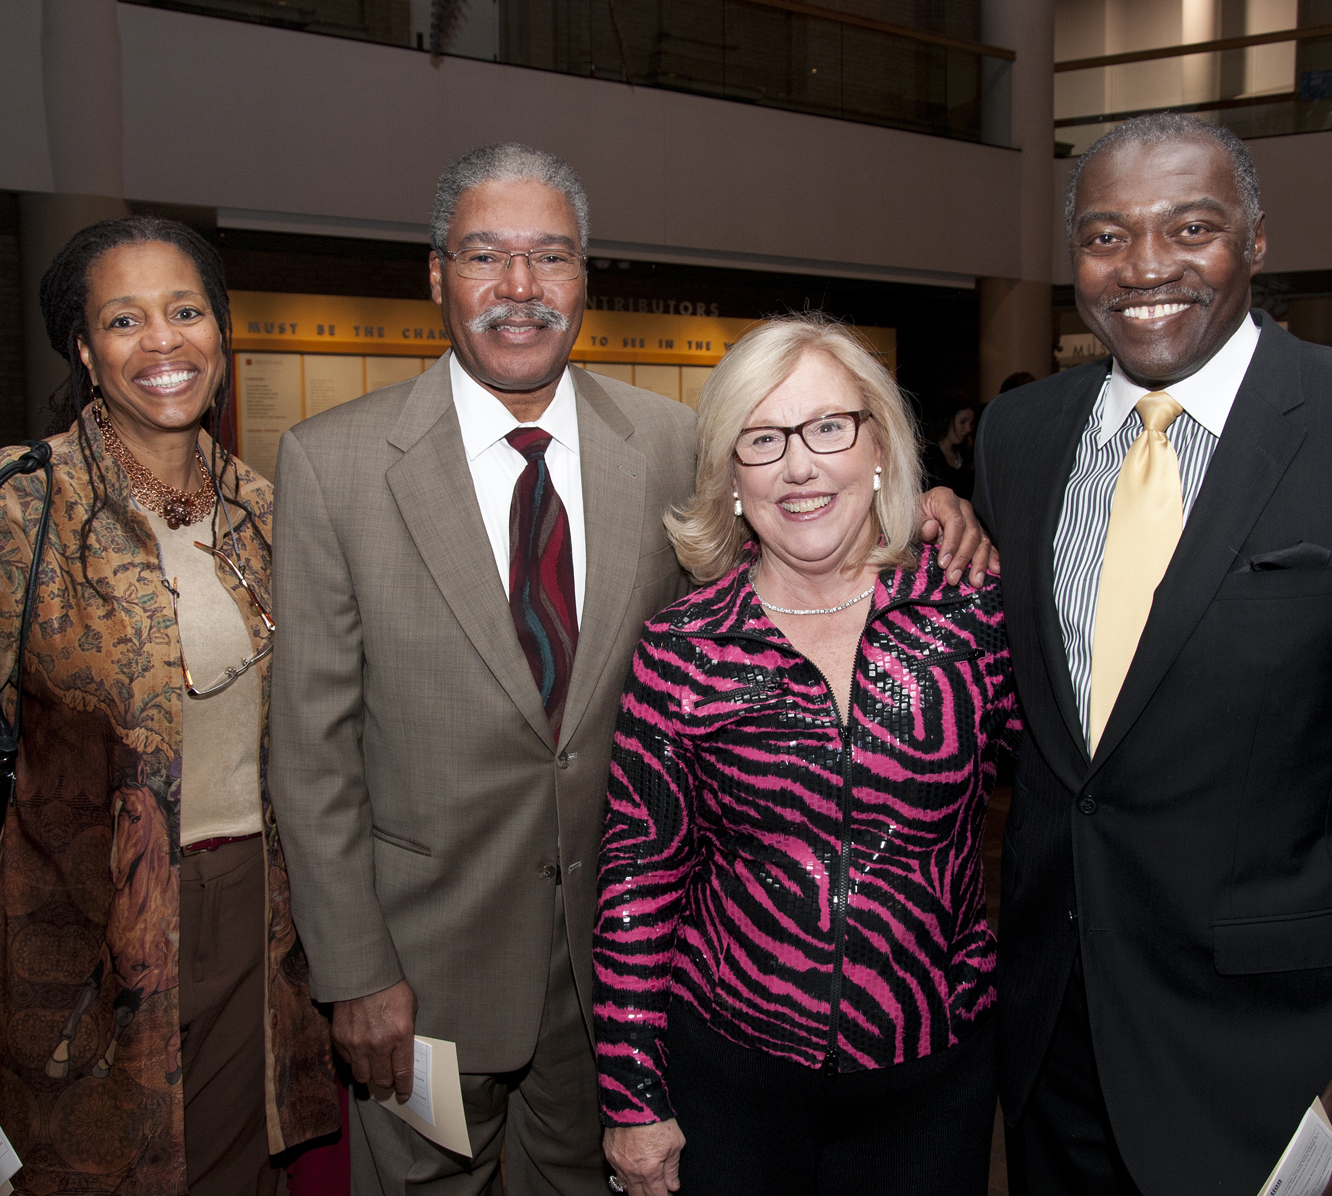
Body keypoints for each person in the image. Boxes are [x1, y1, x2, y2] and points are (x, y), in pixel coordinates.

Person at [268, 143, 991, 1196]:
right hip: (424, 969)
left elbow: (798, 543)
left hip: (625, 974)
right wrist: (355, 969)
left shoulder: (670, 443)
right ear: (437, 276)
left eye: (550, 256)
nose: (521, 289)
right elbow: (311, 747)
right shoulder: (331, 463)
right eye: (486, 256)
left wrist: (919, 516)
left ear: (585, 277)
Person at [973, 112, 1332, 1195]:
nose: (1146, 269)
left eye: (1191, 228)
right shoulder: (1020, 436)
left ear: (1257, 241)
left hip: (1281, 1063)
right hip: (1056, 1041)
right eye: (1106, 236)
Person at [0, 216, 336, 1194]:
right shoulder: (16, 505)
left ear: (220, 331)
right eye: (125, 320)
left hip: (252, 925)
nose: (164, 342)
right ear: (86, 351)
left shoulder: (267, 507)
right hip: (79, 941)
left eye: (185, 311)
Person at [593, 314, 1019, 1196]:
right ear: (731, 474)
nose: (800, 465)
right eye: (763, 438)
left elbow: (1071, 801)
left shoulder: (970, 614)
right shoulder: (686, 648)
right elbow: (639, 879)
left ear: (878, 446)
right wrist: (633, 1096)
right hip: (733, 1083)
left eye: (829, 426)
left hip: (933, 1079)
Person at [921, 399, 977, 499]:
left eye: (971, 423)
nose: (968, 429)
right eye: (963, 422)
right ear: (947, 420)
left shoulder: (967, 455)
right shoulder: (927, 457)